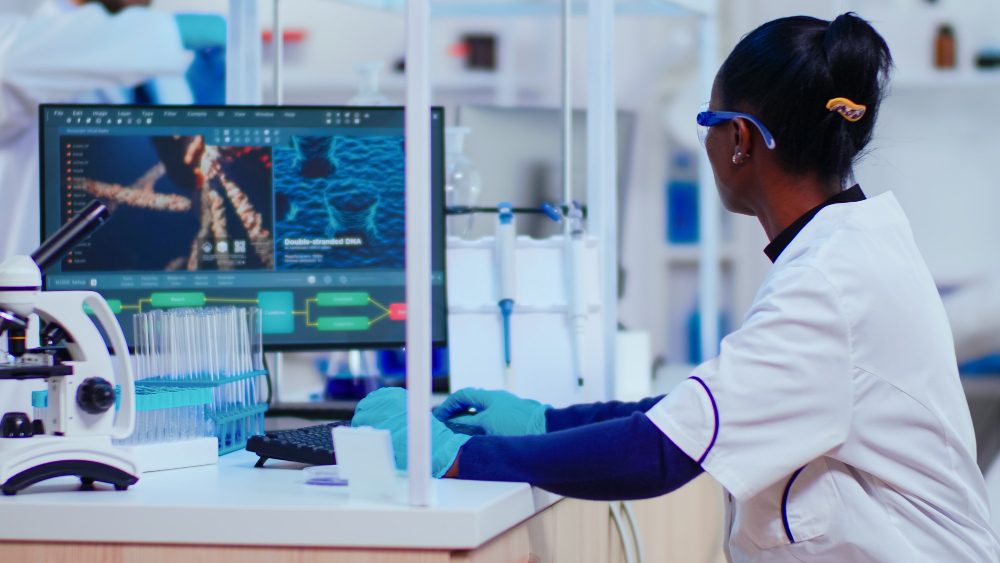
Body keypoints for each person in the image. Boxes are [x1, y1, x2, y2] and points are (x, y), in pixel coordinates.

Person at [352, 13, 1000, 562]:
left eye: (707, 123)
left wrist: (460, 459)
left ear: (739, 139)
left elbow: (660, 454)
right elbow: (701, 410)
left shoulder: (829, 284)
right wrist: (545, 420)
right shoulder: (851, 247)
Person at [0, 0, 225, 262]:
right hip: (44, 289)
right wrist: (170, 32)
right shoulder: (24, 36)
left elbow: (182, 171)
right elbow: (10, 67)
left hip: (133, 267)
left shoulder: (159, 59)